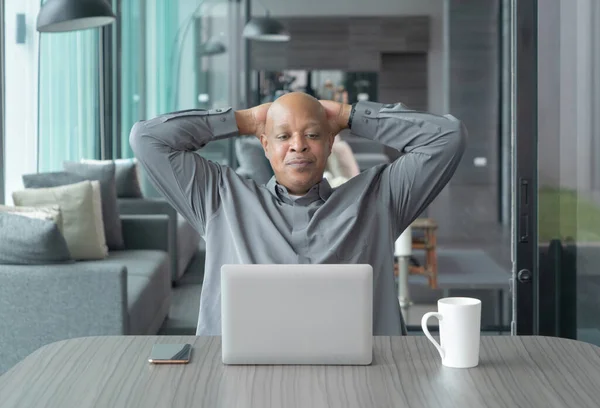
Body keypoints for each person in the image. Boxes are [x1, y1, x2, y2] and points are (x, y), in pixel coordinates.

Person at [130, 92, 467, 336]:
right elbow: (147, 139)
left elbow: (447, 138)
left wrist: (350, 116)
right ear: (264, 145)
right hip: (242, 384)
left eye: (312, 134)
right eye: (282, 136)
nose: (298, 145)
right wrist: (245, 120)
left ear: (331, 142)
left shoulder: (380, 198)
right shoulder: (219, 197)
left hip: (364, 384)